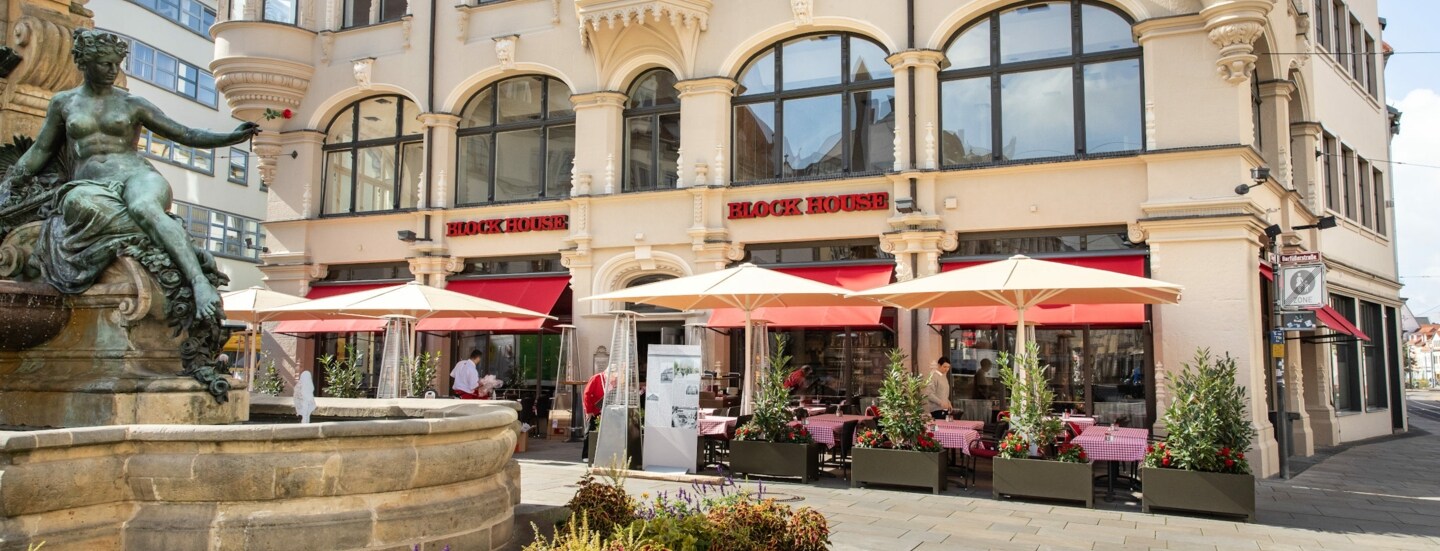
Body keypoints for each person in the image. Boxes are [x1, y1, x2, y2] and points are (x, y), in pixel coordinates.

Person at [1, 29, 260, 319]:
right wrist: (13, 180)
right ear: (85, 62)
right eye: (105, 63)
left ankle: (199, 282)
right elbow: (41, 150)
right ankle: (181, 245)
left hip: (137, 176)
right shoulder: (63, 103)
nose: (114, 71)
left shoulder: (132, 104)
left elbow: (185, 134)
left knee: (144, 207)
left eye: (117, 64)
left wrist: (229, 138)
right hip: (91, 185)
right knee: (78, 205)